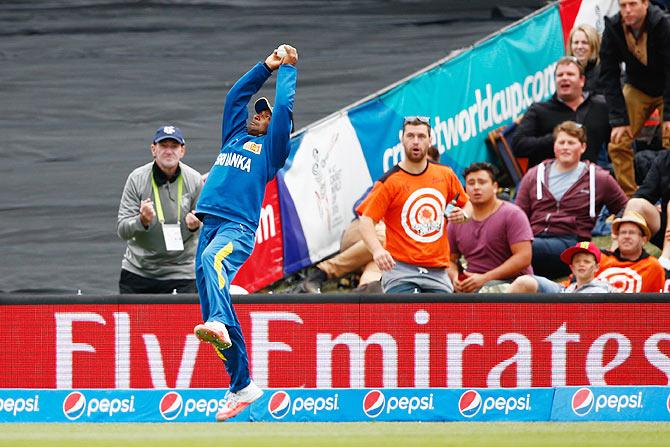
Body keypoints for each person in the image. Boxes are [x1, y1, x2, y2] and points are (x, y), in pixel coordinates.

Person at [192, 45, 298, 421]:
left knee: (212, 267)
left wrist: (287, 70)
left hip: (237, 228)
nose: (259, 115)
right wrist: (264, 66)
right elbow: (235, 96)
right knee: (214, 313)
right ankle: (242, 384)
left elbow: (284, 110)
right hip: (210, 226)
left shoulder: (272, 151)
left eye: (264, 114)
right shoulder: (234, 137)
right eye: (258, 111)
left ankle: (219, 325)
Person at [299, 145, 441, 294]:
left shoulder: (433, 196)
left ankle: (362, 293)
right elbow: (360, 208)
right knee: (384, 237)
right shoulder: (393, 180)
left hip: (382, 250)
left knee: (383, 265)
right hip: (359, 233)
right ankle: (322, 271)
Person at [356, 117, 472, 293]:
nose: (416, 141)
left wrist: (464, 214)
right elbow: (366, 221)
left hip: (438, 272)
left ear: (430, 140)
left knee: (443, 319)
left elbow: (467, 203)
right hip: (400, 271)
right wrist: (377, 250)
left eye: (421, 136)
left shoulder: (445, 174)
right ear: (402, 139)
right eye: (410, 136)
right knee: (408, 316)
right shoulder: (390, 181)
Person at [515, 121, 628, 279]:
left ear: (582, 147)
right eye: (561, 142)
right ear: (554, 146)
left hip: (572, 242)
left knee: (522, 250)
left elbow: (626, 209)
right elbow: (517, 215)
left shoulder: (598, 177)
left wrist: (617, 236)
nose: (565, 147)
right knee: (510, 246)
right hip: (535, 237)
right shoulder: (535, 174)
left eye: (571, 142)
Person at [116, 125, 203, 294]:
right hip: (139, 270)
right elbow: (122, 231)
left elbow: (209, 228)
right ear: (153, 149)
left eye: (174, 146)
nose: (168, 151)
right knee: (136, 321)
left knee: (187, 321)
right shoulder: (137, 178)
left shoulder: (194, 180)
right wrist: (142, 221)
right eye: (163, 146)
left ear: (182, 151)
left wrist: (195, 226)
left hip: (183, 271)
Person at [599, 0, 670, 197]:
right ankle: (627, 199)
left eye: (632, 4)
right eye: (623, 6)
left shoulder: (663, 24)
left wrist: (668, 116)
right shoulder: (613, 27)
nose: (627, 10)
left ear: (645, 3)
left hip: (667, 87)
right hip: (637, 87)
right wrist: (619, 120)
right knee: (618, 140)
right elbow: (608, 75)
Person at [448, 162, 533, 293]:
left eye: (482, 182)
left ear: (495, 187)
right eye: (471, 183)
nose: (476, 187)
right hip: (473, 287)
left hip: (511, 285)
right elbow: (449, 260)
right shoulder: (457, 219)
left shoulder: (513, 214)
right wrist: (454, 278)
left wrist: (484, 278)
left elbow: (524, 257)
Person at [512, 56, 610, 169]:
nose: (564, 78)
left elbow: (616, 142)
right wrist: (556, 139)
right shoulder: (538, 110)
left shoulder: (601, 106)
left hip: (590, 177)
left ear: (582, 80)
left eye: (570, 74)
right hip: (549, 180)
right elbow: (518, 145)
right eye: (560, 75)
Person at [624, 150, 670, 271]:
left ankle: (666, 262)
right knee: (636, 204)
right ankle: (619, 259)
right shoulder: (664, 158)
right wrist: (620, 221)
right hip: (667, 231)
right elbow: (643, 194)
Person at [508, 241, 614, 293]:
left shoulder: (602, 290)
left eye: (586, 261)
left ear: (596, 267)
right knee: (525, 280)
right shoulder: (567, 289)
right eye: (577, 261)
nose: (581, 264)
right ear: (572, 267)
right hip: (567, 293)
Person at [598, 211, 665, 292]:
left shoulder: (653, 267)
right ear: (617, 237)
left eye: (632, 233)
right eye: (623, 232)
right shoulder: (601, 260)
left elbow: (659, 302)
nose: (627, 236)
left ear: (643, 240)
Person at [567, 24, 603, 94]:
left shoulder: (607, 69)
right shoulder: (566, 70)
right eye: (576, 42)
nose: (579, 47)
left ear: (594, 45)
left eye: (585, 43)